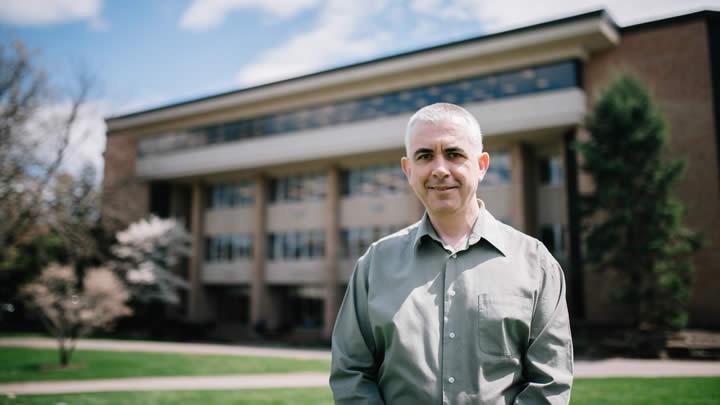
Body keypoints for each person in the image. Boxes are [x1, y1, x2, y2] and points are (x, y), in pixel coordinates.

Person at [330, 103, 573, 404]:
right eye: (425, 156)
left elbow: (550, 382)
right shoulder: (374, 264)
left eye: (454, 154)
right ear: (408, 170)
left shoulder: (536, 264)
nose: (440, 169)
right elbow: (350, 373)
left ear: (482, 165)